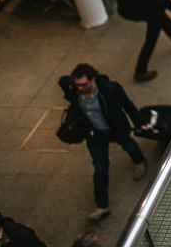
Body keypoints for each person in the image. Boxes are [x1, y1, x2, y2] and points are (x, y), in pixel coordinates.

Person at [60, 64, 149, 221]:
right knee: (100, 168)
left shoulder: (110, 89)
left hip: (115, 128)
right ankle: (102, 206)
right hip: (95, 134)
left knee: (128, 144)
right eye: (77, 84)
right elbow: (62, 81)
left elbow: (127, 104)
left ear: (93, 79)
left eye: (84, 84)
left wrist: (140, 122)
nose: (80, 88)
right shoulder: (74, 91)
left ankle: (139, 161)